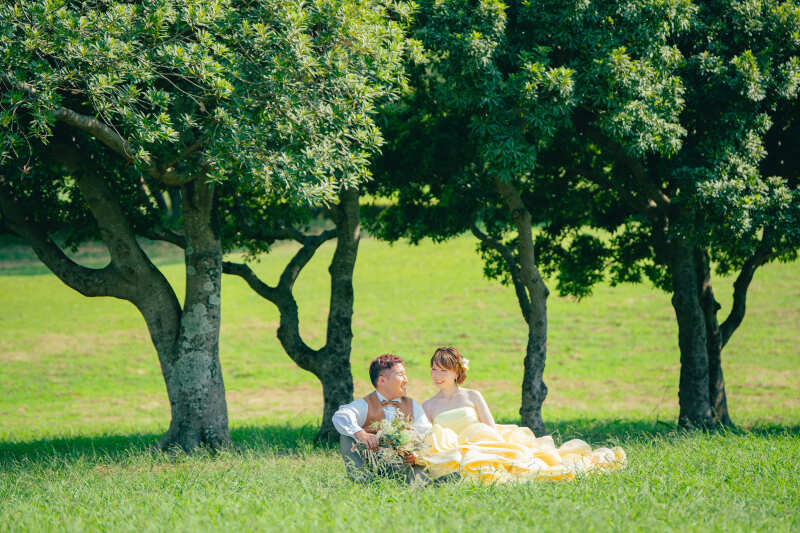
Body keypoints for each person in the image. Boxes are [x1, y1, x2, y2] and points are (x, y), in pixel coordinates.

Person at [418, 347, 626, 483]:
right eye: (434, 370)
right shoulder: (428, 405)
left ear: (456, 372)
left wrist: (484, 446)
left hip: (483, 443)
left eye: (443, 370)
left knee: (528, 464)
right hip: (453, 452)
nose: (437, 375)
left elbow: (490, 427)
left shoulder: (472, 396)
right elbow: (429, 438)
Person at [332, 354, 432, 483]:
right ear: (382, 381)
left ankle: (415, 485)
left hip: (403, 467)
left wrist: (415, 456)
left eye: (405, 374)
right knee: (346, 437)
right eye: (401, 375)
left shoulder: (413, 406)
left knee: (425, 461)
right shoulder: (365, 404)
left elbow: (427, 435)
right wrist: (361, 434)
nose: (406, 379)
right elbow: (341, 415)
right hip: (371, 464)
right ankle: (361, 481)